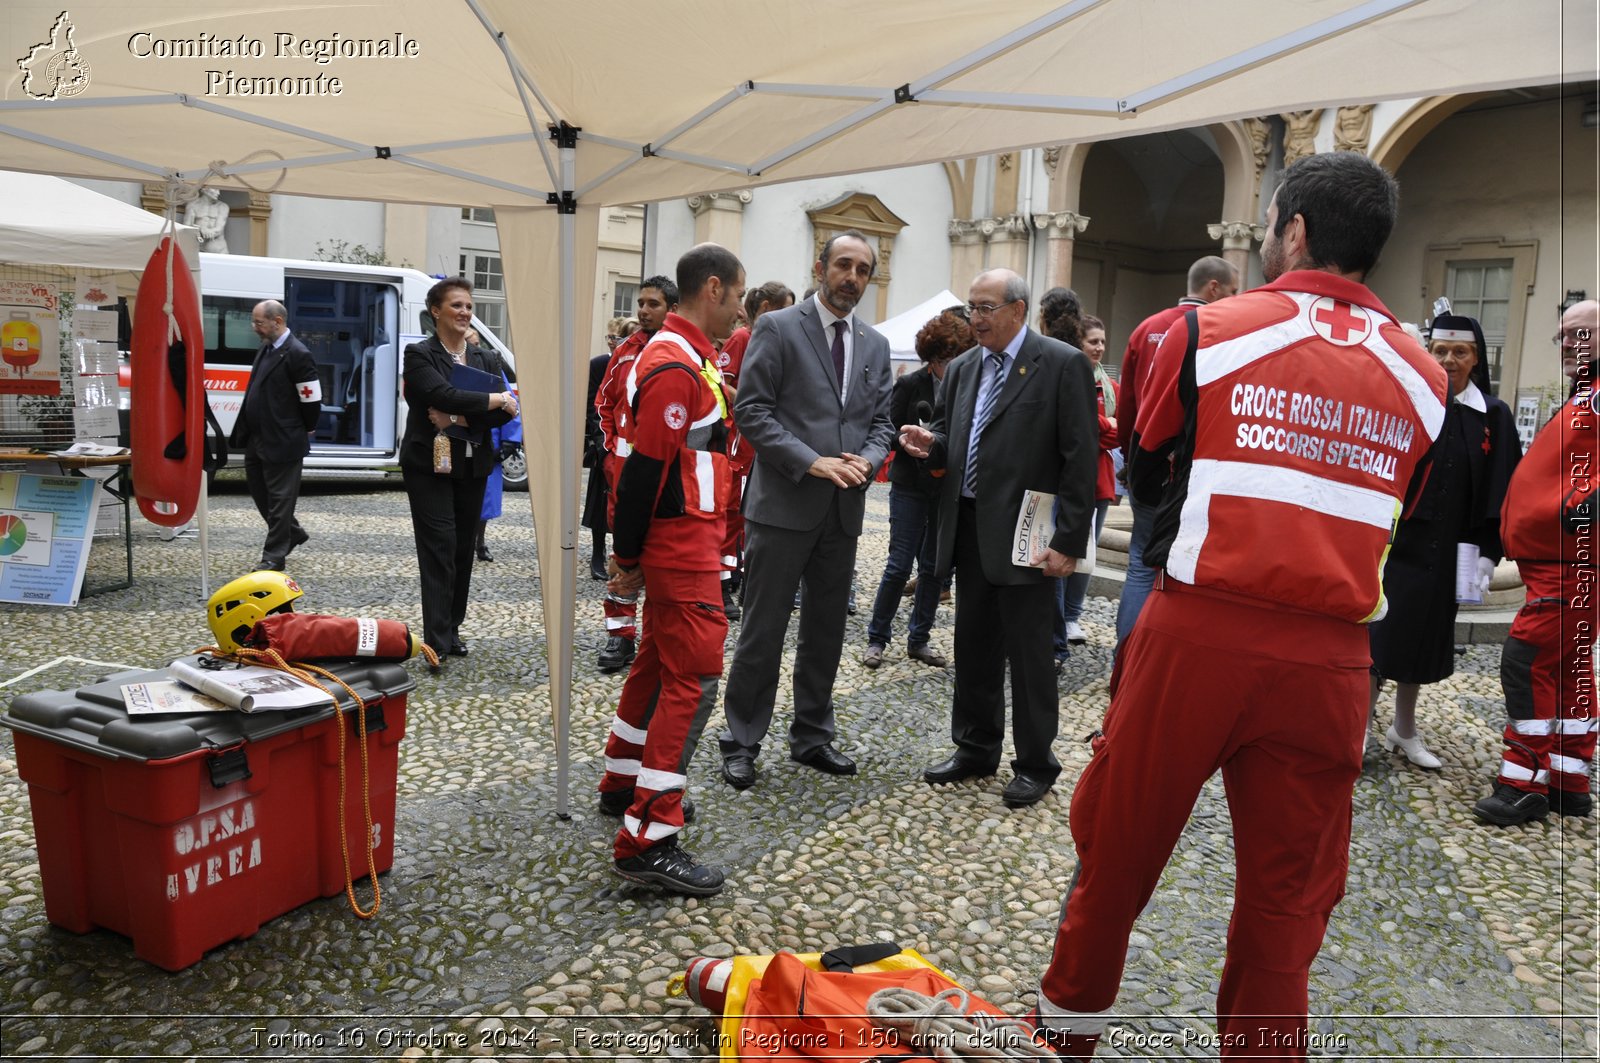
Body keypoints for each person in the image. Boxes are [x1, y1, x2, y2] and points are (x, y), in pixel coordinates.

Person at [1029, 152, 1447, 1061]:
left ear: (1292, 229)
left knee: (1116, 861)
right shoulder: (1427, 376)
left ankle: (1060, 1043)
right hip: (1334, 656)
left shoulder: (1204, 330)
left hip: (1201, 631)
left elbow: (1148, 468)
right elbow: (1400, 511)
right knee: (1286, 902)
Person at [898, 269, 1097, 809]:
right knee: (975, 646)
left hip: (1028, 533)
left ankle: (1036, 762)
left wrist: (1070, 540)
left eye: (987, 307)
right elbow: (950, 436)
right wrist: (930, 443)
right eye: (972, 307)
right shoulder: (962, 369)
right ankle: (975, 747)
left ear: (1018, 309)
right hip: (966, 527)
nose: (976, 318)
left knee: (1031, 655)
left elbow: (1081, 457)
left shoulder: (1061, 364)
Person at [717, 231, 894, 790]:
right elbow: (753, 411)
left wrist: (865, 460)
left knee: (825, 632)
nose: (852, 277)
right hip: (783, 506)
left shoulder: (874, 344)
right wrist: (813, 462)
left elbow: (881, 423)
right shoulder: (777, 327)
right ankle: (741, 740)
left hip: (843, 510)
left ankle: (813, 735)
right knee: (763, 629)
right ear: (821, 267)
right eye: (843, 265)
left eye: (863, 269)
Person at [599, 243, 745, 896]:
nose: (742, 310)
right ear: (712, 289)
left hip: (688, 543)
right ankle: (651, 833)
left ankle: (625, 780)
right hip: (681, 548)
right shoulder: (675, 364)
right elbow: (644, 473)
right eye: (738, 297)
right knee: (695, 683)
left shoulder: (690, 359)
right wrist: (627, 559)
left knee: (658, 666)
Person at [1368, 308, 1520, 769]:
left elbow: (1503, 486)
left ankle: (1404, 730)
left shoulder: (1493, 415)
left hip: (1453, 549)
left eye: (1461, 352)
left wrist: (1489, 553)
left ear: (1477, 359)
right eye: (1440, 351)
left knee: (1421, 644)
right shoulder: (1412, 400)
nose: (1450, 360)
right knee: (1377, 641)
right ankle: (1357, 730)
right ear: (1428, 353)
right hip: (1399, 547)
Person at [1473, 298, 1600, 825]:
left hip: (1571, 563)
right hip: (1562, 562)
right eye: (1564, 336)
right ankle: (1568, 782)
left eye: (1581, 334)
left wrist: (1584, 508)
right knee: (1567, 671)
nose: (1569, 343)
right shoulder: (1588, 396)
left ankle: (1522, 785)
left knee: (1524, 662)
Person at [1113, 255, 1239, 649]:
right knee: (1182, 569)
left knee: (1138, 561)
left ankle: (1126, 657)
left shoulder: (1147, 328)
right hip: (1190, 473)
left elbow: (1128, 405)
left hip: (1146, 467)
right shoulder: (1220, 331)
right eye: (1233, 291)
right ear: (1214, 288)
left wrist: (1129, 459)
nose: (1236, 299)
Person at [399, 278, 517, 662]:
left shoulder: (487, 359)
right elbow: (442, 395)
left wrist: (459, 422)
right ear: (436, 311)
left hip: (473, 462)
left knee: (464, 546)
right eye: (457, 306)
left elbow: (500, 419)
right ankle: (436, 636)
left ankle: (452, 626)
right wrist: (498, 397)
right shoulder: (418, 354)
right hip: (427, 465)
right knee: (439, 545)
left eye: (468, 306)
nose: (465, 312)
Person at [863, 308, 970, 670]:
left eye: (955, 358)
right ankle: (877, 638)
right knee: (898, 564)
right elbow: (885, 427)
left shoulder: (967, 389)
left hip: (945, 487)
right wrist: (906, 438)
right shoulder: (911, 385)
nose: (948, 366)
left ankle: (918, 639)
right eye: (942, 359)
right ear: (931, 357)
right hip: (910, 485)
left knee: (933, 568)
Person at [594, 280, 678, 672]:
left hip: (668, 482)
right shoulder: (624, 352)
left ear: (672, 308)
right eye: (640, 303)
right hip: (625, 479)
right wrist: (611, 447)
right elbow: (604, 402)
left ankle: (660, 639)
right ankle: (619, 636)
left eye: (653, 303)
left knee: (664, 561)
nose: (644, 310)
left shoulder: (685, 351)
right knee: (623, 558)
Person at [716, 281, 796, 620]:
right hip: (742, 440)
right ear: (764, 308)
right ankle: (720, 588)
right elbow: (721, 382)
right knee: (733, 513)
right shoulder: (743, 338)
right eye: (784, 310)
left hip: (763, 440)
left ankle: (745, 581)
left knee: (754, 516)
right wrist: (756, 404)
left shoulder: (775, 340)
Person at [230, 299, 321, 572]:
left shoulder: (298, 353)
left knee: (280, 500)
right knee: (262, 495)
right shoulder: (267, 348)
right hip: (257, 438)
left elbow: (311, 397)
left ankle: (273, 556)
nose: (254, 327)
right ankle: (292, 532)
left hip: (283, 439)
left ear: (277, 322)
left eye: (258, 322)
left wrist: (307, 425)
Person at [1056, 314, 1118, 655]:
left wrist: (1101, 427)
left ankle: (1071, 616)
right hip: (1071, 478)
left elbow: (1119, 432)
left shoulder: (1112, 387)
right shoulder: (1073, 379)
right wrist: (1104, 425)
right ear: (1079, 342)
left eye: (1102, 342)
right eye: (1093, 341)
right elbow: (1079, 427)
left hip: (1099, 482)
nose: (1099, 347)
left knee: (1086, 555)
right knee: (1063, 548)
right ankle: (1058, 614)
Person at [472, 328, 520, 564]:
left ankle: (480, 541)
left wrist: (509, 442)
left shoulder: (493, 369)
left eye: (476, 342)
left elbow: (512, 405)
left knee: (486, 499)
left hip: (489, 445)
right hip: (463, 439)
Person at [184, 187, 229, 254]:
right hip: (196, 248)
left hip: (218, 249)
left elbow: (219, 229)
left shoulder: (223, 206)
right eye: (215, 189)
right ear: (204, 189)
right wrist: (200, 229)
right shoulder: (192, 205)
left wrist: (207, 231)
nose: (218, 193)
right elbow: (186, 227)